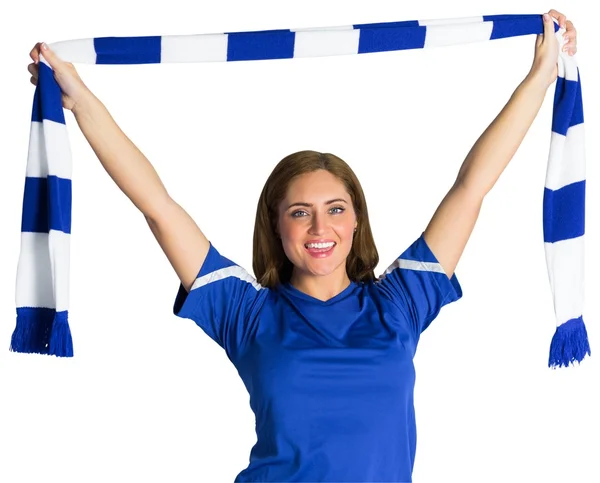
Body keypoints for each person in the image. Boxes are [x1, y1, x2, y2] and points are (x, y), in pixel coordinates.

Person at [26, 9, 578, 483]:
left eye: (335, 210)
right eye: (300, 212)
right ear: (277, 226)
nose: (320, 228)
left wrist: (539, 76)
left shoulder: (400, 303)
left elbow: (472, 187)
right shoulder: (245, 312)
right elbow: (157, 204)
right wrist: (80, 99)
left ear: (356, 221)